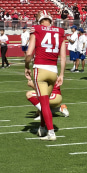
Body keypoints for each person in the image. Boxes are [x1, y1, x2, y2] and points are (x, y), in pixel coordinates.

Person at [25, 11, 67, 141]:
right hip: (53, 71)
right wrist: (62, 74)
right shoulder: (60, 31)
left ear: (39, 21)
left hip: (40, 69)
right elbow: (64, 56)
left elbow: (29, 52)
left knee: (44, 104)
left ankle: (51, 132)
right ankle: (42, 127)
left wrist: (26, 66)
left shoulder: (36, 29)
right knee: (45, 104)